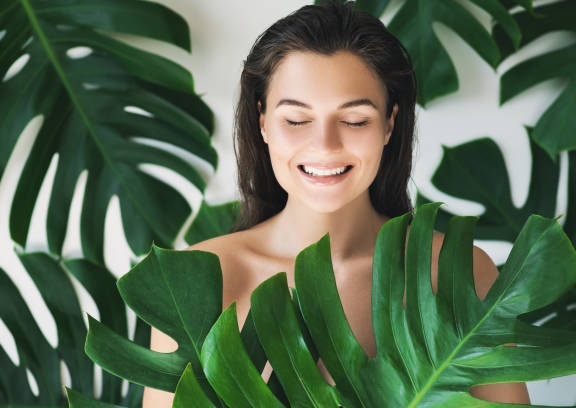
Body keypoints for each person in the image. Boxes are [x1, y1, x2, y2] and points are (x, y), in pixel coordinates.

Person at [143, 1, 531, 406]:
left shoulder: (456, 273)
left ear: (389, 124)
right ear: (262, 122)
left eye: (355, 120)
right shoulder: (195, 280)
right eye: (296, 120)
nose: (325, 145)